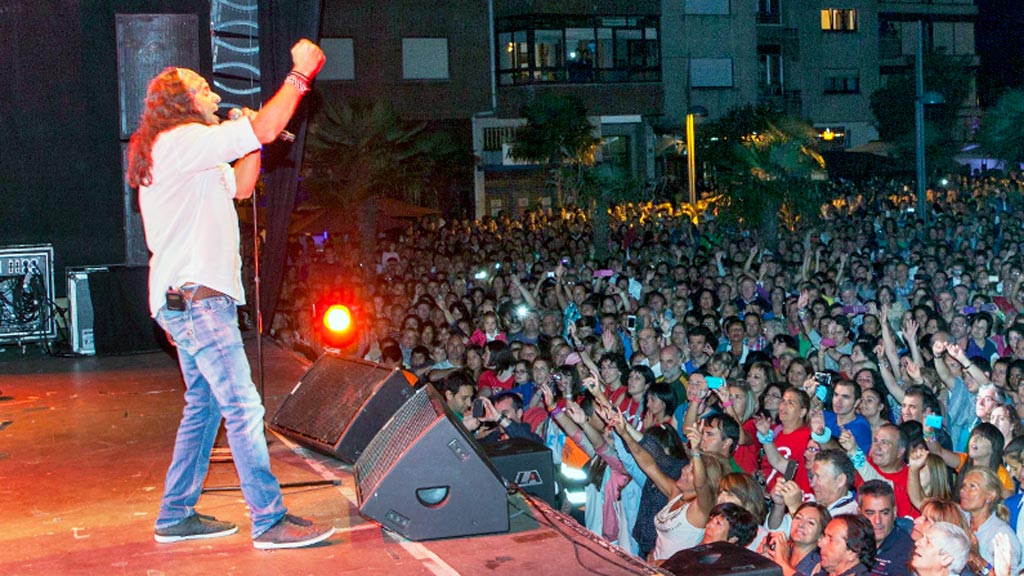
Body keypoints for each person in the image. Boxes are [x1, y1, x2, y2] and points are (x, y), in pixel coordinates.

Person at [128, 40, 335, 549]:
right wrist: (299, 78)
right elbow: (266, 126)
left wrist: (248, 142)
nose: (212, 92)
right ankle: (269, 519)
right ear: (178, 101)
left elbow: (242, 185)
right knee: (242, 406)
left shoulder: (189, 150)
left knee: (205, 407)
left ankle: (176, 514)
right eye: (201, 88)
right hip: (199, 299)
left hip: (190, 300)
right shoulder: (181, 140)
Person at [759, 502, 831, 576]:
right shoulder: (781, 549)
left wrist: (782, 561)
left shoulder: (821, 565)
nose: (801, 524)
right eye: (798, 518)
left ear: (821, 536)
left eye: (810, 522)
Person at [858, 480, 913, 576]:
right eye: (870, 513)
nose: (877, 521)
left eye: (884, 513)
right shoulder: (850, 540)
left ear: (894, 512)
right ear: (859, 513)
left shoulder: (907, 551)